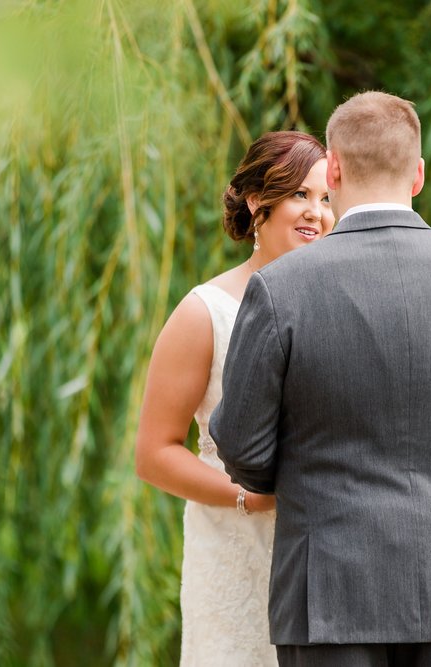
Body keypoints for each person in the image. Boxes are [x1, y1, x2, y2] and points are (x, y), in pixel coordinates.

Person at [210, 91, 431, 666]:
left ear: (333, 167)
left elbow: (241, 448)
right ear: (417, 174)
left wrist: (314, 469)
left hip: (327, 598)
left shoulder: (280, 289)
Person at [135, 130, 335, 666]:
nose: (317, 213)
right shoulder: (204, 313)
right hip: (233, 553)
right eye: (300, 195)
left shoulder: (339, 309)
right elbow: (154, 453)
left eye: (327, 198)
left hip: (325, 561)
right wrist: (252, 497)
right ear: (257, 203)